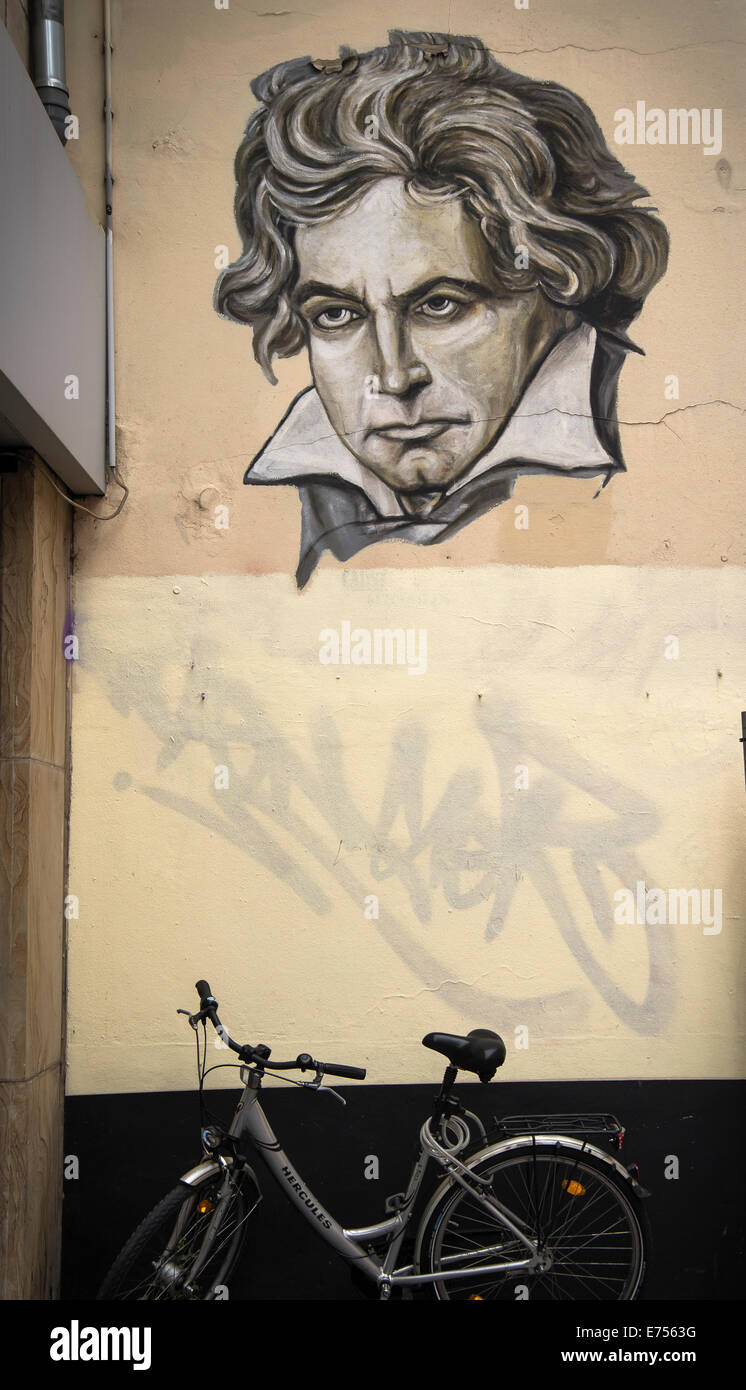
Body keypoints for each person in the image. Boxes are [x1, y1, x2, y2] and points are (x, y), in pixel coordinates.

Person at [215, 29, 669, 588]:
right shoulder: (278, 497)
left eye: (438, 305)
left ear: (557, 285)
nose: (394, 375)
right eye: (337, 315)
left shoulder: (663, 443)